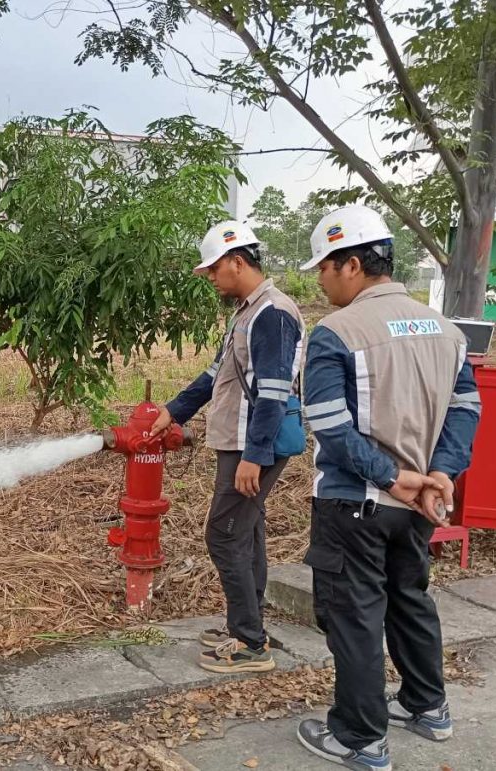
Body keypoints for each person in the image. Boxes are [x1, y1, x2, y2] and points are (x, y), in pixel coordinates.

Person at [294, 205, 481, 771]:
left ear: (352, 264)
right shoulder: (446, 331)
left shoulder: (337, 331)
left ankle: (359, 738)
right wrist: (441, 474)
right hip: (419, 504)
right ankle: (428, 708)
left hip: (358, 503)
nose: (321, 280)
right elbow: (466, 409)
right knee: (409, 599)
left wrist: (390, 477)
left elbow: (328, 422)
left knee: (353, 614)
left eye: (324, 267)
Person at [149, 220, 304, 674]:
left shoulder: (272, 313)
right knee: (247, 530)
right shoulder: (248, 313)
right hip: (242, 439)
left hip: (254, 442)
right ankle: (246, 625)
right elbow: (217, 374)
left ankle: (250, 644)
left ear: (239, 261)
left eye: (215, 270)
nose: (212, 279)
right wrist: (175, 410)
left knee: (224, 532)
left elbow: (274, 392)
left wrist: (254, 455)